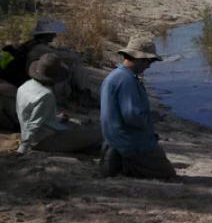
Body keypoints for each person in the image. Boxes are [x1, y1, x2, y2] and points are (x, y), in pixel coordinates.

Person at [99, 35, 176, 180]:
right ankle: (125, 165)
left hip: (115, 140)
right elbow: (133, 117)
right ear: (139, 59)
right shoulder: (126, 80)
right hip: (130, 143)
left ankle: (122, 163)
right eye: (149, 61)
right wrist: (151, 118)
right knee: (168, 175)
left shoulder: (116, 75)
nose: (149, 65)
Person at [15, 53, 102, 154]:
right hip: (44, 140)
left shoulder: (24, 86)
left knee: (81, 127)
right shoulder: (46, 95)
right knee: (97, 134)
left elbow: (29, 114)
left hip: (34, 133)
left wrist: (55, 118)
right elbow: (34, 123)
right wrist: (23, 147)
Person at [1, 19, 67, 131]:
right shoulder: (39, 48)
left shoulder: (30, 44)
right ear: (46, 35)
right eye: (52, 33)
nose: (55, 35)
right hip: (13, 84)